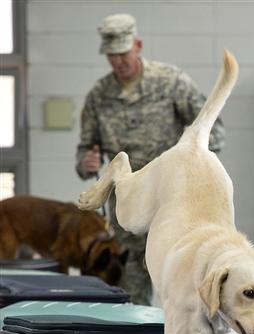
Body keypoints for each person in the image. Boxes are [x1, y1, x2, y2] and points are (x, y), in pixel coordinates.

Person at [76, 13, 225, 305]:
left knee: (184, 293)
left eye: (123, 53)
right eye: (111, 55)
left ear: (138, 45)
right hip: (128, 213)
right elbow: (84, 151)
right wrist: (87, 163)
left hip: (174, 208)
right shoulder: (99, 95)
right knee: (131, 295)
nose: (118, 61)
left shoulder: (171, 83)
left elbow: (214, 133)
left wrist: (189, 160)